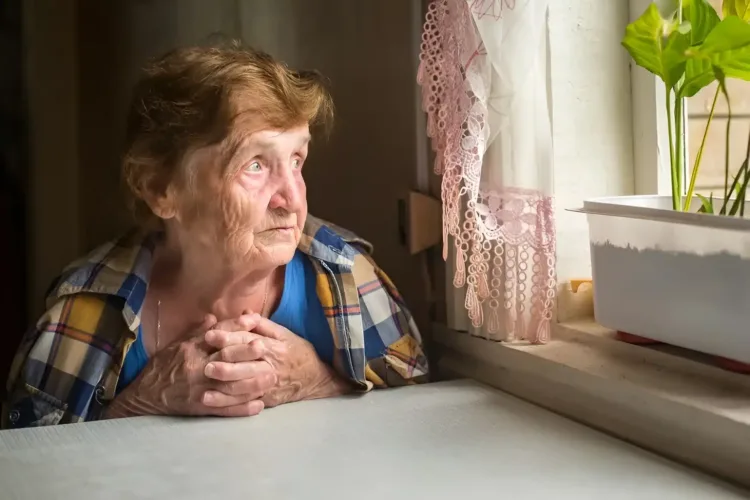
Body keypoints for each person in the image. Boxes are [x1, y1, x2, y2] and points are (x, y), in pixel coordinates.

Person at [2, 43, 429, 428]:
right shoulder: (87, 308)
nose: (292, 199)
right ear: (160, 189)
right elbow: (29, 465)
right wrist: (139, 402)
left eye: (296, 160)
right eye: (255, 165)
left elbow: (420, 421)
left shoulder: (346, 275)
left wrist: (320, 382)